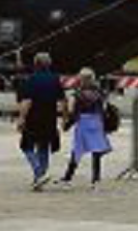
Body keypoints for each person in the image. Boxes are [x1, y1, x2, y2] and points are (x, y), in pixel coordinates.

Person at [16, 52, 67, 190]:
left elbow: (27, 101)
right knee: (44, 147)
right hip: (49, 117)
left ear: (35, 64)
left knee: (26, 146)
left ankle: (38, 172)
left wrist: (21, 118)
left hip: (33, 118)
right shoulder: (55, 79)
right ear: (49, 64)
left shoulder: (31, 79)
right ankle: (39, 180)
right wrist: (64, 117)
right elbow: (62, 101)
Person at [58, 68, 112, 188]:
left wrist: (67, 125)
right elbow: (104, 109)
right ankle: (96, 180)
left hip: (83, 123)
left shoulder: (76, 94)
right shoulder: (100, 93)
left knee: (77, 150)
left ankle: (67, 178)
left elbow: (72, 111)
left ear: (80, 79)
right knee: (96, 151)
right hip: (97, 123)